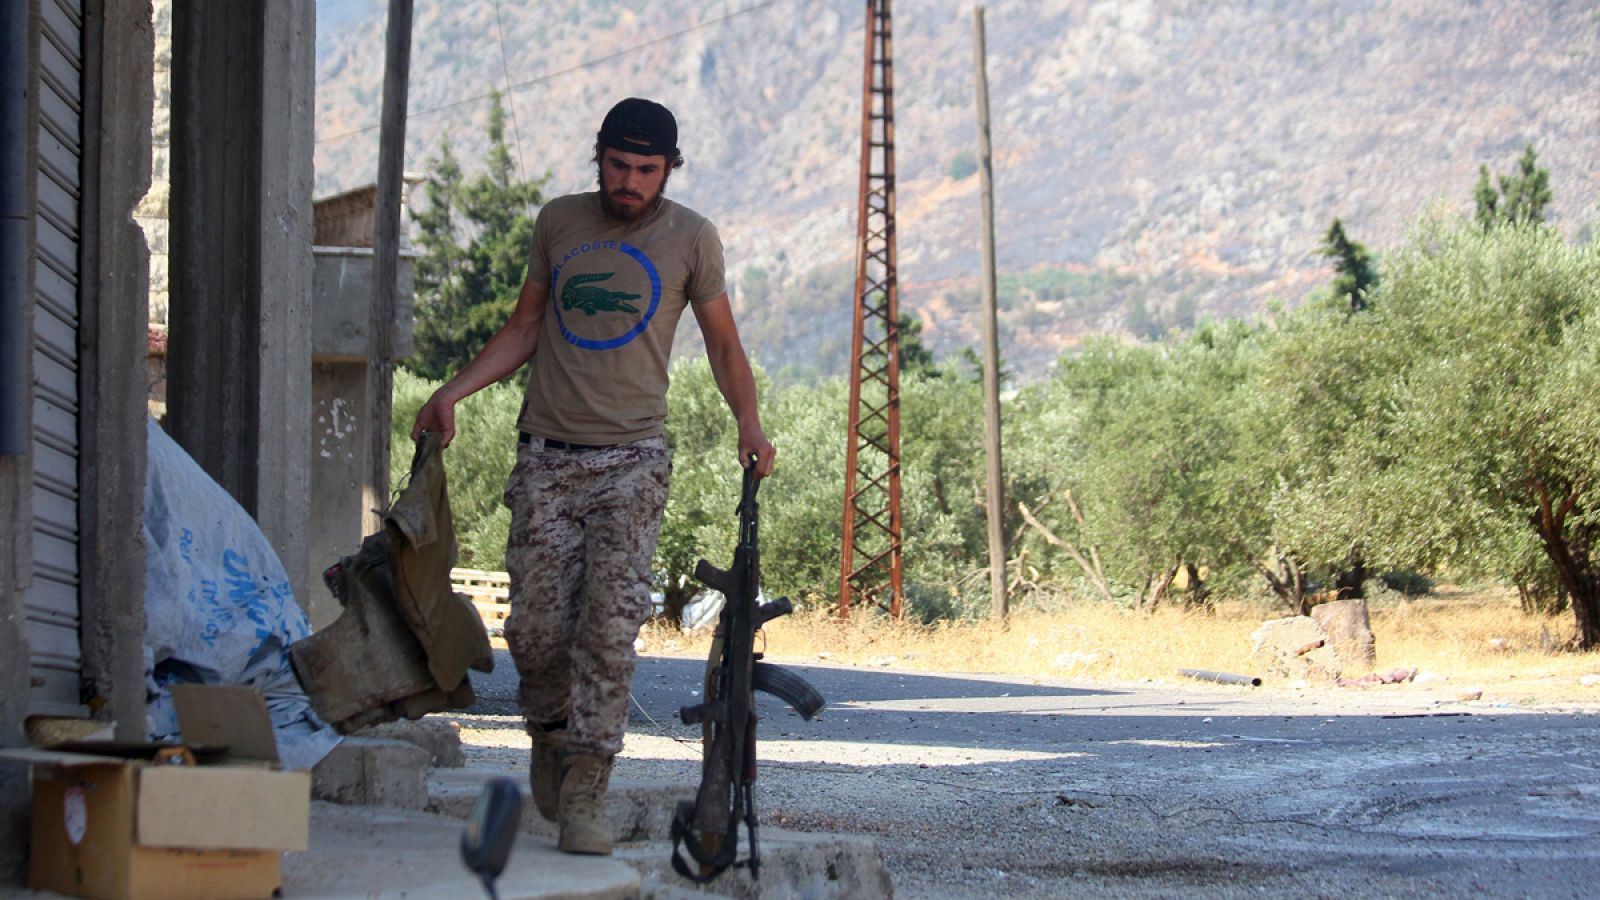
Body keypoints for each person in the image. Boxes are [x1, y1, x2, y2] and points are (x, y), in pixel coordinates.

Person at [411, 97, 775, 856]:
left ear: (668, 170)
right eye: (618, 165)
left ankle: (587, 790)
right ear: (598, 157)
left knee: (609, 632)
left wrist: (748, 421)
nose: (629, 181)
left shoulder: (692, 238)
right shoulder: (559, 223)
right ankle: (550, 734)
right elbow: (524, 326)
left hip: (632, 463)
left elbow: (723, 344)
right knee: (535, 633)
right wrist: (452, 392)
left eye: (646, 169)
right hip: (546, 459)